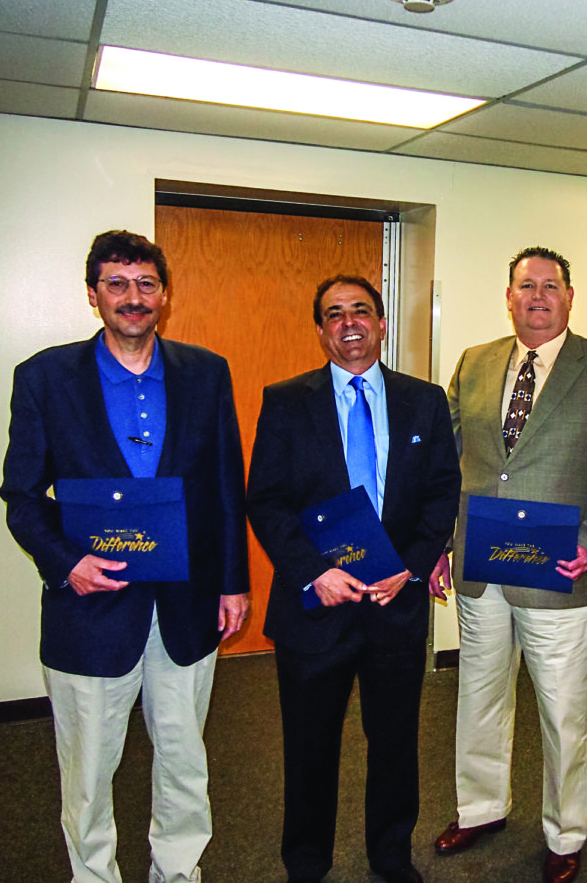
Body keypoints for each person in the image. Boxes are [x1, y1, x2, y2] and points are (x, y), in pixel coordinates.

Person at [0, 230, 249, 883]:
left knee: (183, 757)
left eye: (145, 284)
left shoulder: (206, 372)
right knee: (87, 766)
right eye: (117, 284)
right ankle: (94, 875)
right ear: (93, 295)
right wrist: (66, 563)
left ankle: (178, 870)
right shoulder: (45, 378)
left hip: (186, 606)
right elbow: (21, 496)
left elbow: (227, 483)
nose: (132, 298)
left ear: (164, 296)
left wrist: (233, 582)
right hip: (90, 607)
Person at [429, 246, 587, 883]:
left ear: (570, 296)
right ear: (510, 296)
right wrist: (440, 542)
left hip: (563, 574)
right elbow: (449, 459)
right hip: (482, 567)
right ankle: (481, 807)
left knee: (566, 710)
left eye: (550, 286)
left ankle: (566, 830)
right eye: (526, 286)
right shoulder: (475, 362)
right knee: (479, 695)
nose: (538, 297)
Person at [246, 275, 460, 883]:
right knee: (310, 747)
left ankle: (391, 855)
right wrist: (317, 574)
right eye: (334, 314)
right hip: (316, 609)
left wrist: (411, 566)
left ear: (382, 322)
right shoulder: (286, 401)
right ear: (320, 330)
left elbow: (443, 491)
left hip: (396, 608)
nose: (349, 324)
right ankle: (307, 862)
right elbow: (265, 501)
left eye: (361, 311)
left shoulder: (424, 400)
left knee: (395, 744)